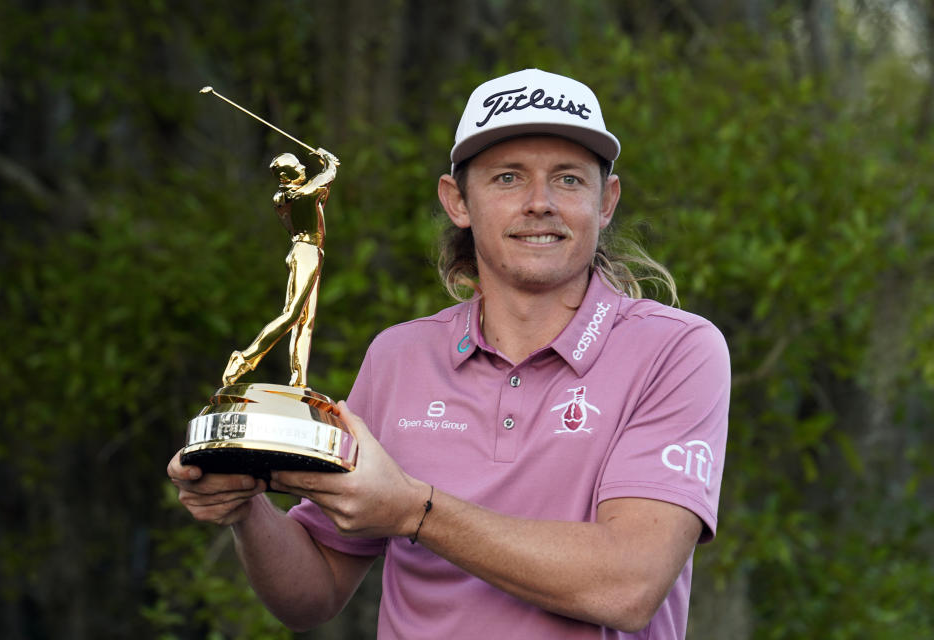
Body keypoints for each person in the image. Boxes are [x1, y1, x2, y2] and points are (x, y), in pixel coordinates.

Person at [168, 68, 730, 639]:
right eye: (508, 178)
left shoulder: (677, 350)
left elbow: (627, 585)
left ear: (605, 201)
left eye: (567, 179)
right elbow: (314, 593)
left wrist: (413, 510)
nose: (541, 203)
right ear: (457, 200)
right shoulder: (400, 356)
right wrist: (246, 510)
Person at [221, 147, 339, 387]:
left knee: (306, 321)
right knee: (292, 314)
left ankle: (299, 381)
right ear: (286, 177)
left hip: (313, 253)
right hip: (305, 252)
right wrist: (329, 162)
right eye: (297, 167)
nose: (303, 167)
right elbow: (325, 178)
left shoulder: (294, 194)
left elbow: (322, 192)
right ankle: (244, 359)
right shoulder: (297, 195)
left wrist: (328, 168)